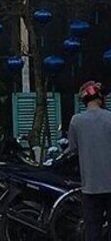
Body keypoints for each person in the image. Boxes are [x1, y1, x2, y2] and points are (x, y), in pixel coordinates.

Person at [66, 81, 111, 241]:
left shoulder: (76, 121)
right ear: (100, 97)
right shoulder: (110, 118)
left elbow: (72, 149)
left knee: (92, 230)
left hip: (90, 186)